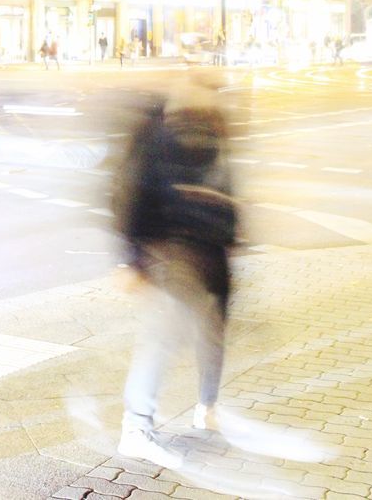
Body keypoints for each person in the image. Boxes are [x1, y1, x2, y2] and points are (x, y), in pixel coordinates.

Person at [110, 74, 239, 469]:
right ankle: (136, 429)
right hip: (173, 249)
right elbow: (132, 191)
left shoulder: (214, 132)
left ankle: (207, 406)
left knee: (212, 332)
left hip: (210, 249)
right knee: (161, 336)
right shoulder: (159, 134)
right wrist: (130, 258)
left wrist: (232, 234)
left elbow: (225, 188)